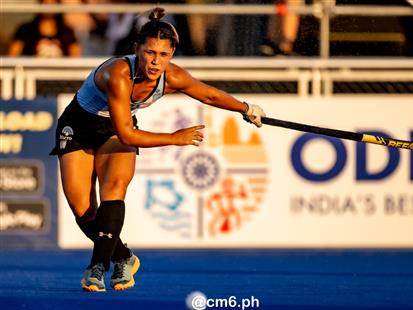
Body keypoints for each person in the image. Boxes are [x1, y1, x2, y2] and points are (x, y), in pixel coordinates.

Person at [49, 7, 265, 292]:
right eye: (150, 53)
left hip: (115, 131)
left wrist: (246, 109)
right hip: (79, 127)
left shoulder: (172, 76)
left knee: (114, 189)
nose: (155, 62)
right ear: (137, 48)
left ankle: (96, 269)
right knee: (84, 210)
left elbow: (209, 93)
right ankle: (123, 256)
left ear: (172, 54)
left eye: (163, 55)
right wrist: (174, 138)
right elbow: (128, 133)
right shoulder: (118, 74)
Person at [7, 0, 80, 57]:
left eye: (52, 3)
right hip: (32, 74)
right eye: (45, 3)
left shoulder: (66, 32)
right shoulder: (26, 30)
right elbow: (12, 56)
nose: (48, 5)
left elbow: (76, 58)